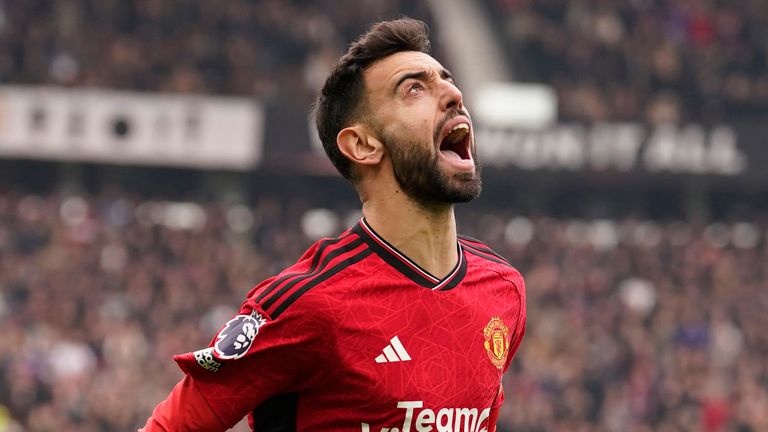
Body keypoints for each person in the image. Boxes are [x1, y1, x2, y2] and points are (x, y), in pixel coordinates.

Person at [141, 18, 526, 432]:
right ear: (362, 145)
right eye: (415, 88)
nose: (453, 94)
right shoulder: (310, 304)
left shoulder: (503, 290)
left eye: (447, 80)